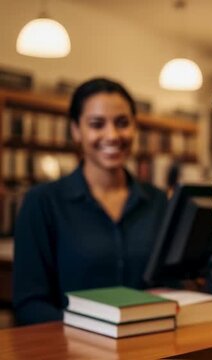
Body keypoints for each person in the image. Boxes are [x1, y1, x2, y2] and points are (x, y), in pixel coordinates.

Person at [12, 78, 168, 325]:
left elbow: (172, 284)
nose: (112, 135)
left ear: (135, 127)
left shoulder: (159, 202)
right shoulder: (41, 202)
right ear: (76, 130)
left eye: (122, 123)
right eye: (97, 124)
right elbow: (29, 303)